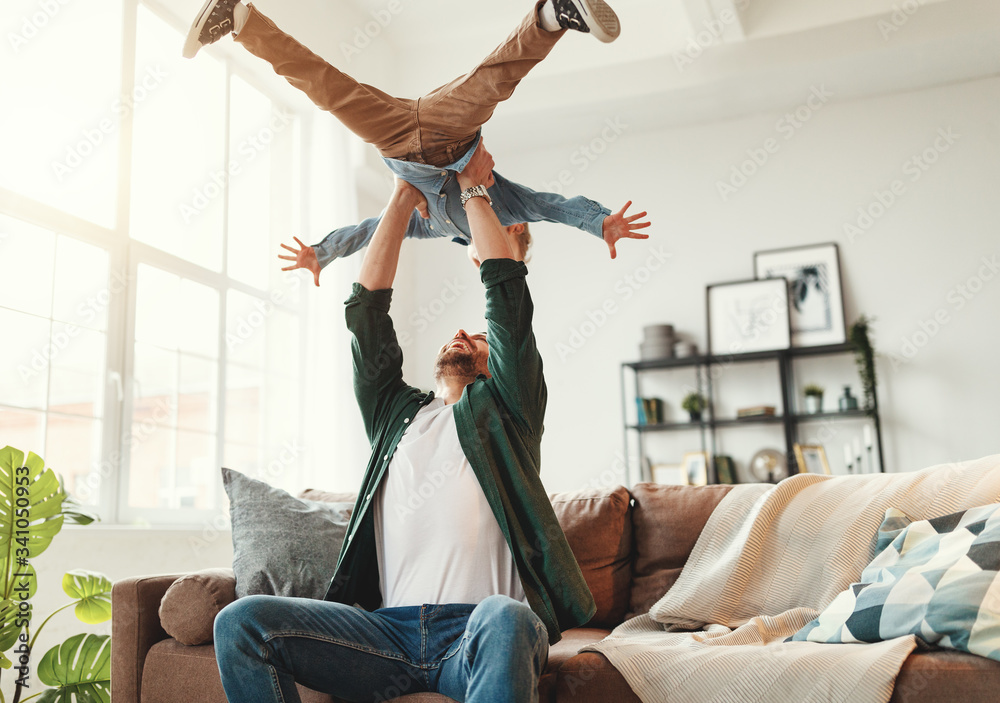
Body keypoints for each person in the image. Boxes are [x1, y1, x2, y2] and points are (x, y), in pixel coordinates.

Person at [213, 140, 595, 703]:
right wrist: (400, 196)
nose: (466, 334)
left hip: (478, 632)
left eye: (483, 339)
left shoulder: (507, 412)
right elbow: (367, 313)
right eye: (460, 332)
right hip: (385, 635)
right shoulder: (396, 415)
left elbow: (506, 297)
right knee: (241, 622)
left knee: (507, 618)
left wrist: (473, 186)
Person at [184, 0, 649, 285]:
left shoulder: (436, 228)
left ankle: (239, 19)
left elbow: (370, 231)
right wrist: (599, 222)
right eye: (497, 260)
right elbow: (554, 205)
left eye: (479, 264)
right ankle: (553, 15)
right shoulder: (509, 206)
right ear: (513, 233)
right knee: (493, 80)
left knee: (325, 88)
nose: (483, 262)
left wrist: (322, 252)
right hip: (451, 130)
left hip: (395, 142)